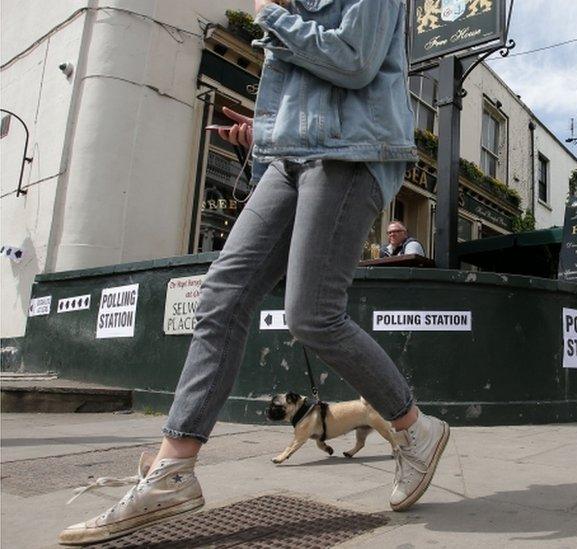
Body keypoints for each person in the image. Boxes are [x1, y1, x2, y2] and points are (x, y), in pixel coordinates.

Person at [59, 1, 450, 544]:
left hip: (349, 151)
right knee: (221, 295)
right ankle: (173, 473)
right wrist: (264, 130)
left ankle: (414, 430)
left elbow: (356, 62)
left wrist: (271, 14)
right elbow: (308, 82)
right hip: (287, 155)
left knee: (312, 314)